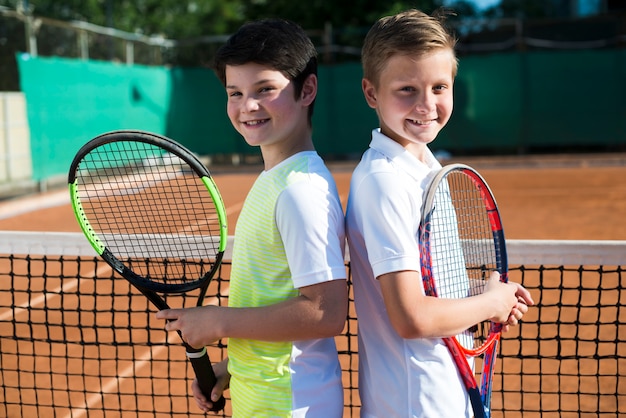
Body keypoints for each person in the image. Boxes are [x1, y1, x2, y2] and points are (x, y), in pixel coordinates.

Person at [344, 9, 535, 418]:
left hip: (444, 391)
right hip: (417, 402)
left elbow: (429, 291)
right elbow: (411, 317)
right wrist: (491, 304)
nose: (426, 104)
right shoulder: (385, 181)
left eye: (438, 87)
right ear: (371, 93)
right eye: (407, 90)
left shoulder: (426, 168)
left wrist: (482, 296)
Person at [156, 19, 348, 417]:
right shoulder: (275, 179)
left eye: (265, 90)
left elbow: (325, 312)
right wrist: (232, 368)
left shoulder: (300, 190)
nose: (248, 106)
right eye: (235, 93)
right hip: (262, 393)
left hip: (290, 403)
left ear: (306, 90)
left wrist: (218, 322)